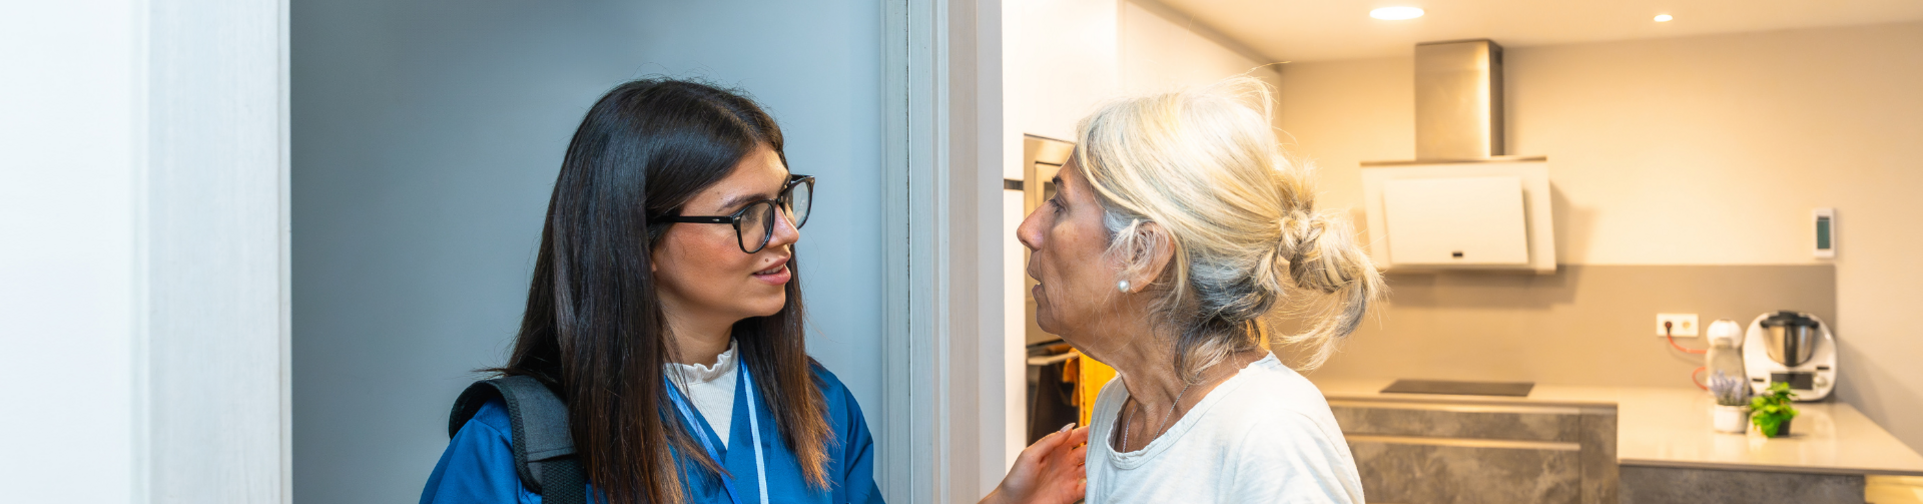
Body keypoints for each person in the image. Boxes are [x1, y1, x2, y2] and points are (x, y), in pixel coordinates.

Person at [420, 79, 1087, 504]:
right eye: (745, 214)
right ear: (637, 239)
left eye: (784, 200)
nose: (787, 232)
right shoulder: (516, 446)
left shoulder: (819, 408)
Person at [1015, 76, 1384, 504]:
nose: (1028, 230)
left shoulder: (1272, 433)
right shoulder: (1119, 404)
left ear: (1142, 254)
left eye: (1060, 205)